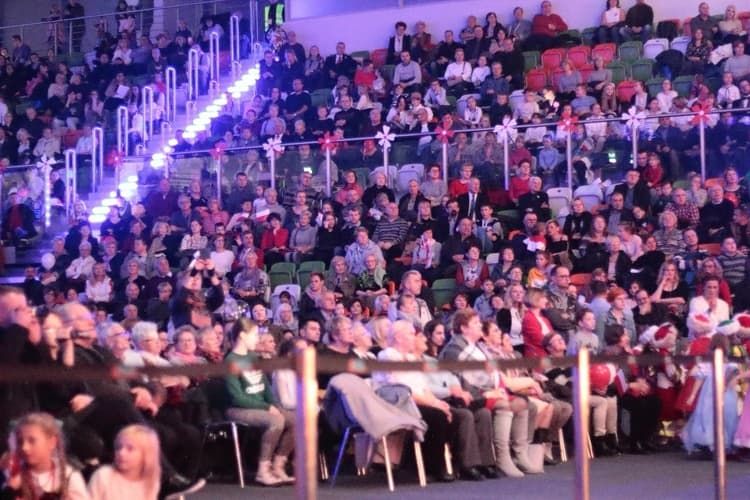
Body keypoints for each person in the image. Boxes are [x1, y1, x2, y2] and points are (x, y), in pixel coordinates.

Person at [224, 319, 295, 486]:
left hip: (260, 405)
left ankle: (278, 465)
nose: (257, 339)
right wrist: (266, 407)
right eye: (255, 335)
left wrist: (274, 405)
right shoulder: (231, 360)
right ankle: (263, 470)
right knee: (276, 421)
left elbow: (266, 388)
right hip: (238, 409)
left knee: (297, 420)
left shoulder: (253, 357)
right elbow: (237, 397)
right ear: (242, 335)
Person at [1, 412, 89, 499]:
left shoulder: (68, 476)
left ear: (52, 442)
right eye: (20, 442)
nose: (24, 447)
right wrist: (10, 490)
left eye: (32, 441)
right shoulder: (14, 475)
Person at [88, 425, 161, 500]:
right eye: (118, 448)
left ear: (146, 455)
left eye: (130, 449)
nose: (121, 453)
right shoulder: (104, 475)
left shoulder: (150, 483)